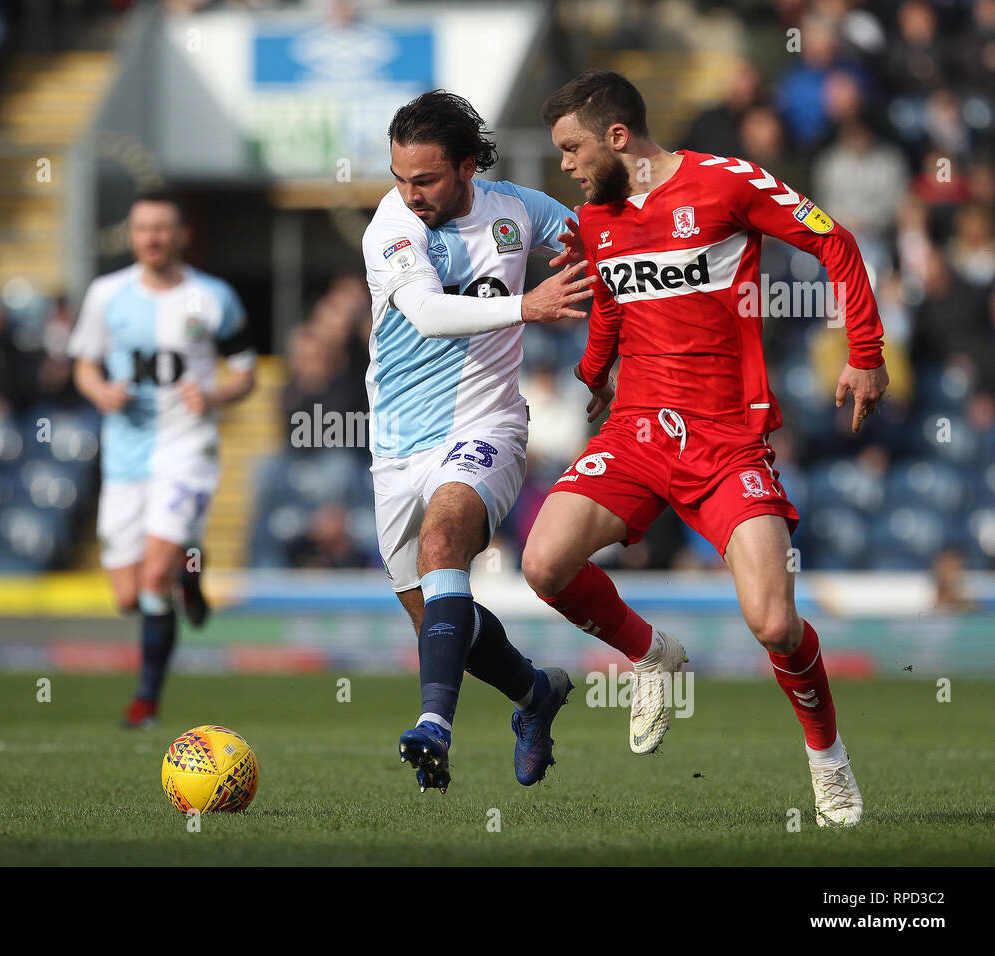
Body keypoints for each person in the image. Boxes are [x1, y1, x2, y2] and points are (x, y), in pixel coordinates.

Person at [525, 70, 888, 827]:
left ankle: (829, 765)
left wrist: (866, 350)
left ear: (618, 137)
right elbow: (615, 309)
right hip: (636, 431)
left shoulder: (728, 183)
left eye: (572, 149)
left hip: (726, 437)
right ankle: (652, 653)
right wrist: (593, 374)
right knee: (543, 562)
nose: (566, 166)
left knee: (774, 625)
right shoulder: (598, 218)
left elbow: (838, 244)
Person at [361, 90, 597, 793]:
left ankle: (433, 728)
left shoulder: (518, 210)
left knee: (444, 548)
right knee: (439, 616)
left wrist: (602, 252)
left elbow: (598, 245)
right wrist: (529, 304)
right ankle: (536, 694)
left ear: (467, 166)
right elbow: (429, 314)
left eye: (426, 179)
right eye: (401, 177)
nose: (411, 193)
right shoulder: (390, 224)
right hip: (396, 447)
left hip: (486, 427)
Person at [69, 190, 257, 728]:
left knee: (153, 581)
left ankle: (145, 703)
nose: (152, 238)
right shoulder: (106, 295)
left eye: (162, 228)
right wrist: (100, 391)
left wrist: (215, 395)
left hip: (187, 448)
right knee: (127, 597)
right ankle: (191, 566)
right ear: (131, 235)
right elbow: (84, 365)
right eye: (142, 228)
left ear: (182, 234)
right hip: (126, 455)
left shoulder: (213, 297)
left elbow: (246, 372)